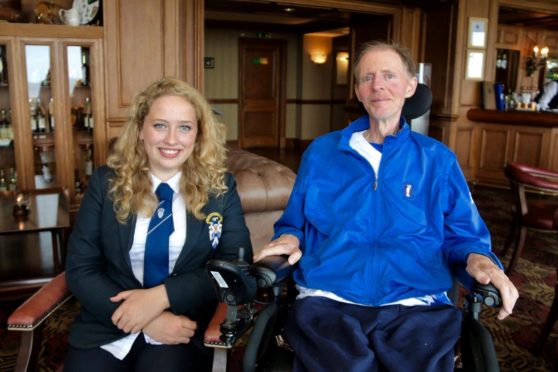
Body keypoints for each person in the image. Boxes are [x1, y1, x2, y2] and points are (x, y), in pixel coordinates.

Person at [254, 41, 519, 371]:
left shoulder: (437, 160)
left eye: (389, 76)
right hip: (329, 297)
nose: (377, 85)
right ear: (358, 91)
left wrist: (480, 259)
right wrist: (290, 237)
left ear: (410, 86)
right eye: (367, 78)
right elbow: (294, 222)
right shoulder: (321, 154)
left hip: (416, 302)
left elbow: (464, 236)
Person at [64, 77, 252, 371]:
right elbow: (80, 267)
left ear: (198, 135)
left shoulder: (221, 189)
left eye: (185, 127)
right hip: (108, 322)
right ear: (140, 129)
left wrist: (162, 297)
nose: (172, 139)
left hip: (182, 326)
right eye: (160, 125)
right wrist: (144, 317)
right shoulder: (105, 183)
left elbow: (235, 266)